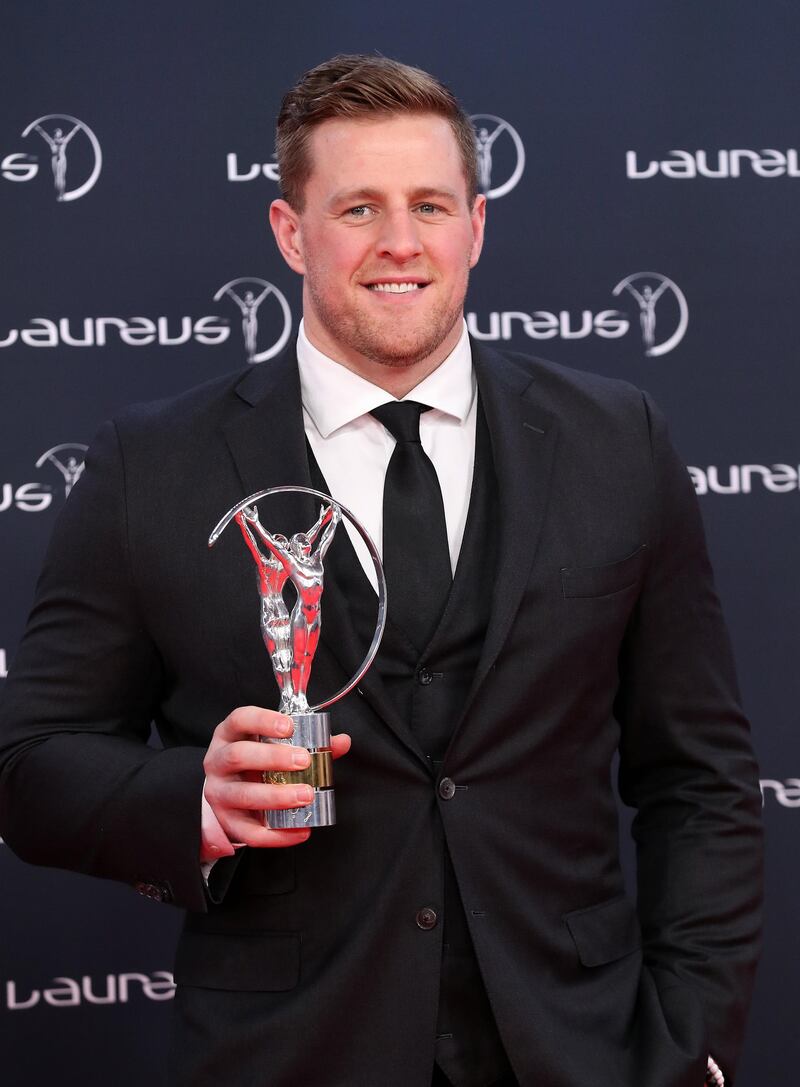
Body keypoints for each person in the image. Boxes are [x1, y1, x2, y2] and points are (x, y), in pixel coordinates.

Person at [0, 55, 762, 1087]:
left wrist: (697, 1041)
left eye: (429, 205)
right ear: (288, 233)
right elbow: (30, 762)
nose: (400, 243)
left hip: (580, 1050)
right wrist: (195, 799)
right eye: (357, 207)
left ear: (476, 228)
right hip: (287, 1055)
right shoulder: (153, 463)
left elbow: (700, 777)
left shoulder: (615, 439)